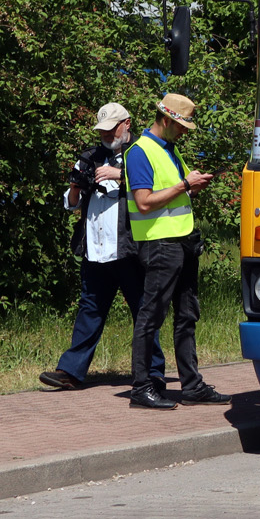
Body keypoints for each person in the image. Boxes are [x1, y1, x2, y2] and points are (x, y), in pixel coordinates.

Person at [39, 104, 166, 392]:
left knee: (142, 312)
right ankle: (70, 371)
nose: (107, 136)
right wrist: (75, 186)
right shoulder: (90, 156)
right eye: (103, 132)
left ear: (127, 124)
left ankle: (153, 372)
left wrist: (118, 175)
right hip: (95, 249)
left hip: (131, 249)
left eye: (112, 129)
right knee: (90, 309)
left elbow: (158, 185)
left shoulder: (140, 153)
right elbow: (71, 202)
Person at [123, 95, 228, 409]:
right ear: (166, 120)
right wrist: (184, 184)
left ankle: (192, 386)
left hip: (182, 242)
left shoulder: (170, 149)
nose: (184, 132)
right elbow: (144, 201)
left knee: (186, 316)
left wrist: (193, 186)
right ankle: (142, 388)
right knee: (151, 317)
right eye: (181, 126)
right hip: (159, 245)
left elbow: (174, 193)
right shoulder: (140, 151)